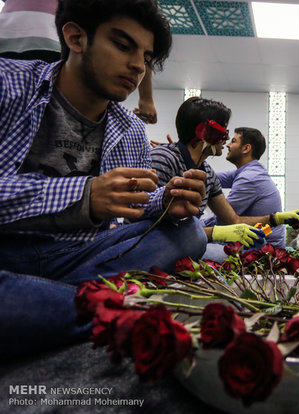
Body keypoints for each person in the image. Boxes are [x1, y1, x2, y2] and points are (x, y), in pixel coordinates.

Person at [0, 0, 207, 357]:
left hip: (79, 255)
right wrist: (84, 195)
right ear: (76, 38)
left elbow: (134, 203)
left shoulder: (131, 131)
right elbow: (97, 197)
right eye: (123, 46)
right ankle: (105, 307)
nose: (137, 66)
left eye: (146, 57)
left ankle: (57, 307)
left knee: (189, 232)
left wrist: (165, 201)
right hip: (8, 249)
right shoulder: (9, 84)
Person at [151, 97, 299, 258]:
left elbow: (234, 221)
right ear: (205, 133)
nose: (226, 141)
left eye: (231, 139)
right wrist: (174, 151)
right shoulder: (164, 159)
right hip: (159, 246)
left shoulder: (209, 175)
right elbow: (153, 228)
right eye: (224, 131)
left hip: (186, 243)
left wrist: (274, 219)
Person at [0, 0, 159, 123]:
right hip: (12, 43)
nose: (139, 65)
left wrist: (146, 98)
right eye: (122, 46)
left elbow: (140, 35)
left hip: (53, 45)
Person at [203, 127, 285, 248]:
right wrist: (187, 160)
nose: (228, 145)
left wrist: (194, 227)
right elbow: (209, 177)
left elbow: (224, 219)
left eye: (234, 141)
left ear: (246, 148)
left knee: (190, 251)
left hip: (264, 249)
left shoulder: (250, 178)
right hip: (257, 241)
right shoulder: (246, 172)